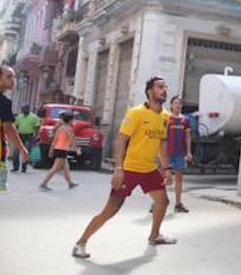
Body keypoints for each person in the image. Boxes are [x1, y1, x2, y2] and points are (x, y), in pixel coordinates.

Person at [71, 76, 176, 259]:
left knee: (163, 202)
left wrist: (167, 169)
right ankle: (81, 243)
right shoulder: (136, 113)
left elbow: (161, 145)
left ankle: (154, 235)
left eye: (165, 87)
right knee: (111, 209)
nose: (164, 90)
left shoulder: (166, 117)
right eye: (160, 87)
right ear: (150, 91)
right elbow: (121, 140)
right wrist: (118, 169)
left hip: (149, 169)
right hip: (129, 169)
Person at [0, 66, 29, 213]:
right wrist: (22, 149)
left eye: (13, 77)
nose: (13, 80)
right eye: (9, 77)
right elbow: (9, 128)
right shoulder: (3, 102)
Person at [39, 112, 80, 190]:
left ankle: (70, 183)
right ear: (70, 120)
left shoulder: (60, 128)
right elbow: (72, 140)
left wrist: (51, 150)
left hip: (58, 148)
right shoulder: (69, 129)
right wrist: (77, 150)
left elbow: (55, 140)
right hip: (62, 149)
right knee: (55, 168)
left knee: (66, 167)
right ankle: (44, 183)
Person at [166, 96, 192, 213]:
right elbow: (162, 137)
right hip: (167, 153)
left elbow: (187, 137)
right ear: (171, 105)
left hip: (180, 153)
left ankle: (178, 204)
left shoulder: (185, 120)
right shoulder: (166, 118)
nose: (177, 105)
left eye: (179, 103)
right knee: (164, 178)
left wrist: (188, 151)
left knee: (179, 179)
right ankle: (157, 202)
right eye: (175, 103)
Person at [12, 105, 39, 173]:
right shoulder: (19, 117)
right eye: (22, 109)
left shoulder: (34, 117)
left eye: (25, 109)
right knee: (16, 152)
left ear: (28, 109)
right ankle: (15, 167)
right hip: (20, 135)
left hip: (29, 136)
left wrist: (36, 136)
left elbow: (37, 127)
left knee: (26, 152)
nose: (23, 110)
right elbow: (16, 126)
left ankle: (24, 167)